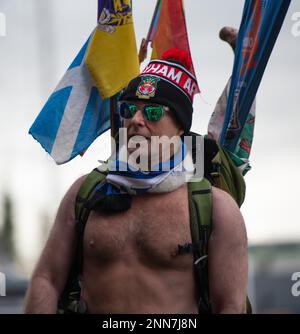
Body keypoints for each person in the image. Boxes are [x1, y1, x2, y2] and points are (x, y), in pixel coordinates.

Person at [24, 29, 248, 314]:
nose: (136, 121)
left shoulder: (216, 209)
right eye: (129, 109)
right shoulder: (84, 193)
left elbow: (229, 306)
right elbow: (47, 279)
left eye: (153, 112)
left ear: (180, 126)